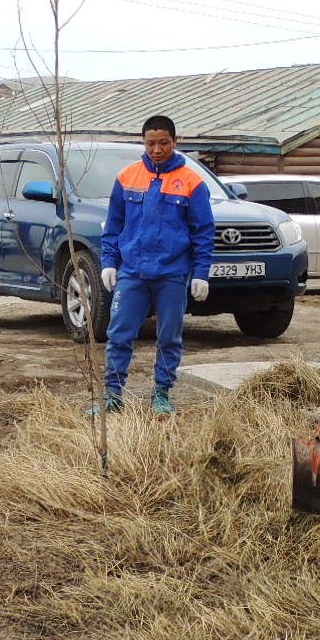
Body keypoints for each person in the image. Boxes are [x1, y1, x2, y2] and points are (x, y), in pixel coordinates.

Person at [97, 114, 214, 415]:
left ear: (175, 141)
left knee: (169, 336)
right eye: (151, 143)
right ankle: (112, 395)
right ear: (143, 143)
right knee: (119, 333)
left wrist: (201, 273)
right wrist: (109, 262)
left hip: (172, 273)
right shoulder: (127, 177)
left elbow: (203, 231)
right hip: (132, 271)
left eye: (163, 142)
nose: (157, 149)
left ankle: (161, 393)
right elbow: (113, 225)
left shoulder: (193, 182)